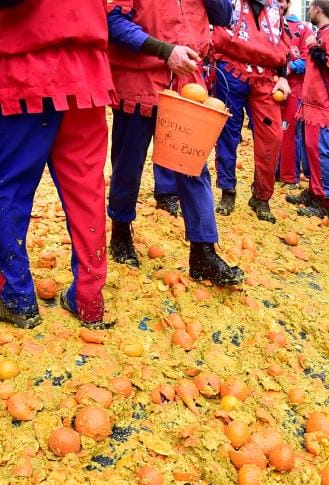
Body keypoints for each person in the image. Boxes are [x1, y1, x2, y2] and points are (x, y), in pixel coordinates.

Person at [0, 0, 113, 331]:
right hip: (86, 72)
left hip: (27, 69)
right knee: (86, 189)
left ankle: (17, 297)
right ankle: (89, 299)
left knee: (7, 188)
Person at [105, 0, 245, 286]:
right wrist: (165, 50)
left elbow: (223, 15)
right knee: (128, 162)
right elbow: (113, 22)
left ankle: (203, 251)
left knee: (193, 165)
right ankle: (120, 229)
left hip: (186, 82)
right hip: (139, 78)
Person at [212, 0, 291, 223]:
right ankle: (227, 191)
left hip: (266, 77)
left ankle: (261, 196)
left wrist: (283, 76)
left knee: (273, 136)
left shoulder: (275, 8)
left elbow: (281, 43)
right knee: (227, 133)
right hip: (231, 70)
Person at [286, 0, 329, 220]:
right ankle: (314, 192)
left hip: (324, 106)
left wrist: (314, 48)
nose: (309, 11)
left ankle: (324, 201)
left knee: (320, 152)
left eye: (310, 7)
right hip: (312, 103)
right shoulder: (321, 34)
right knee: (311, 151)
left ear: (318, 9)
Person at [278, 0, 312, 189]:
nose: (278, 4)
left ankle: (289, 176)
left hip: (294, 89)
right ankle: (272, 172)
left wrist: (289, 67)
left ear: (288, 3)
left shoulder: (302, 28)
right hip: (269, 86)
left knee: (289, 131)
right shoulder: (267, 22)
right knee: (271, 131)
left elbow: (308, 59)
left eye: (281, 1)